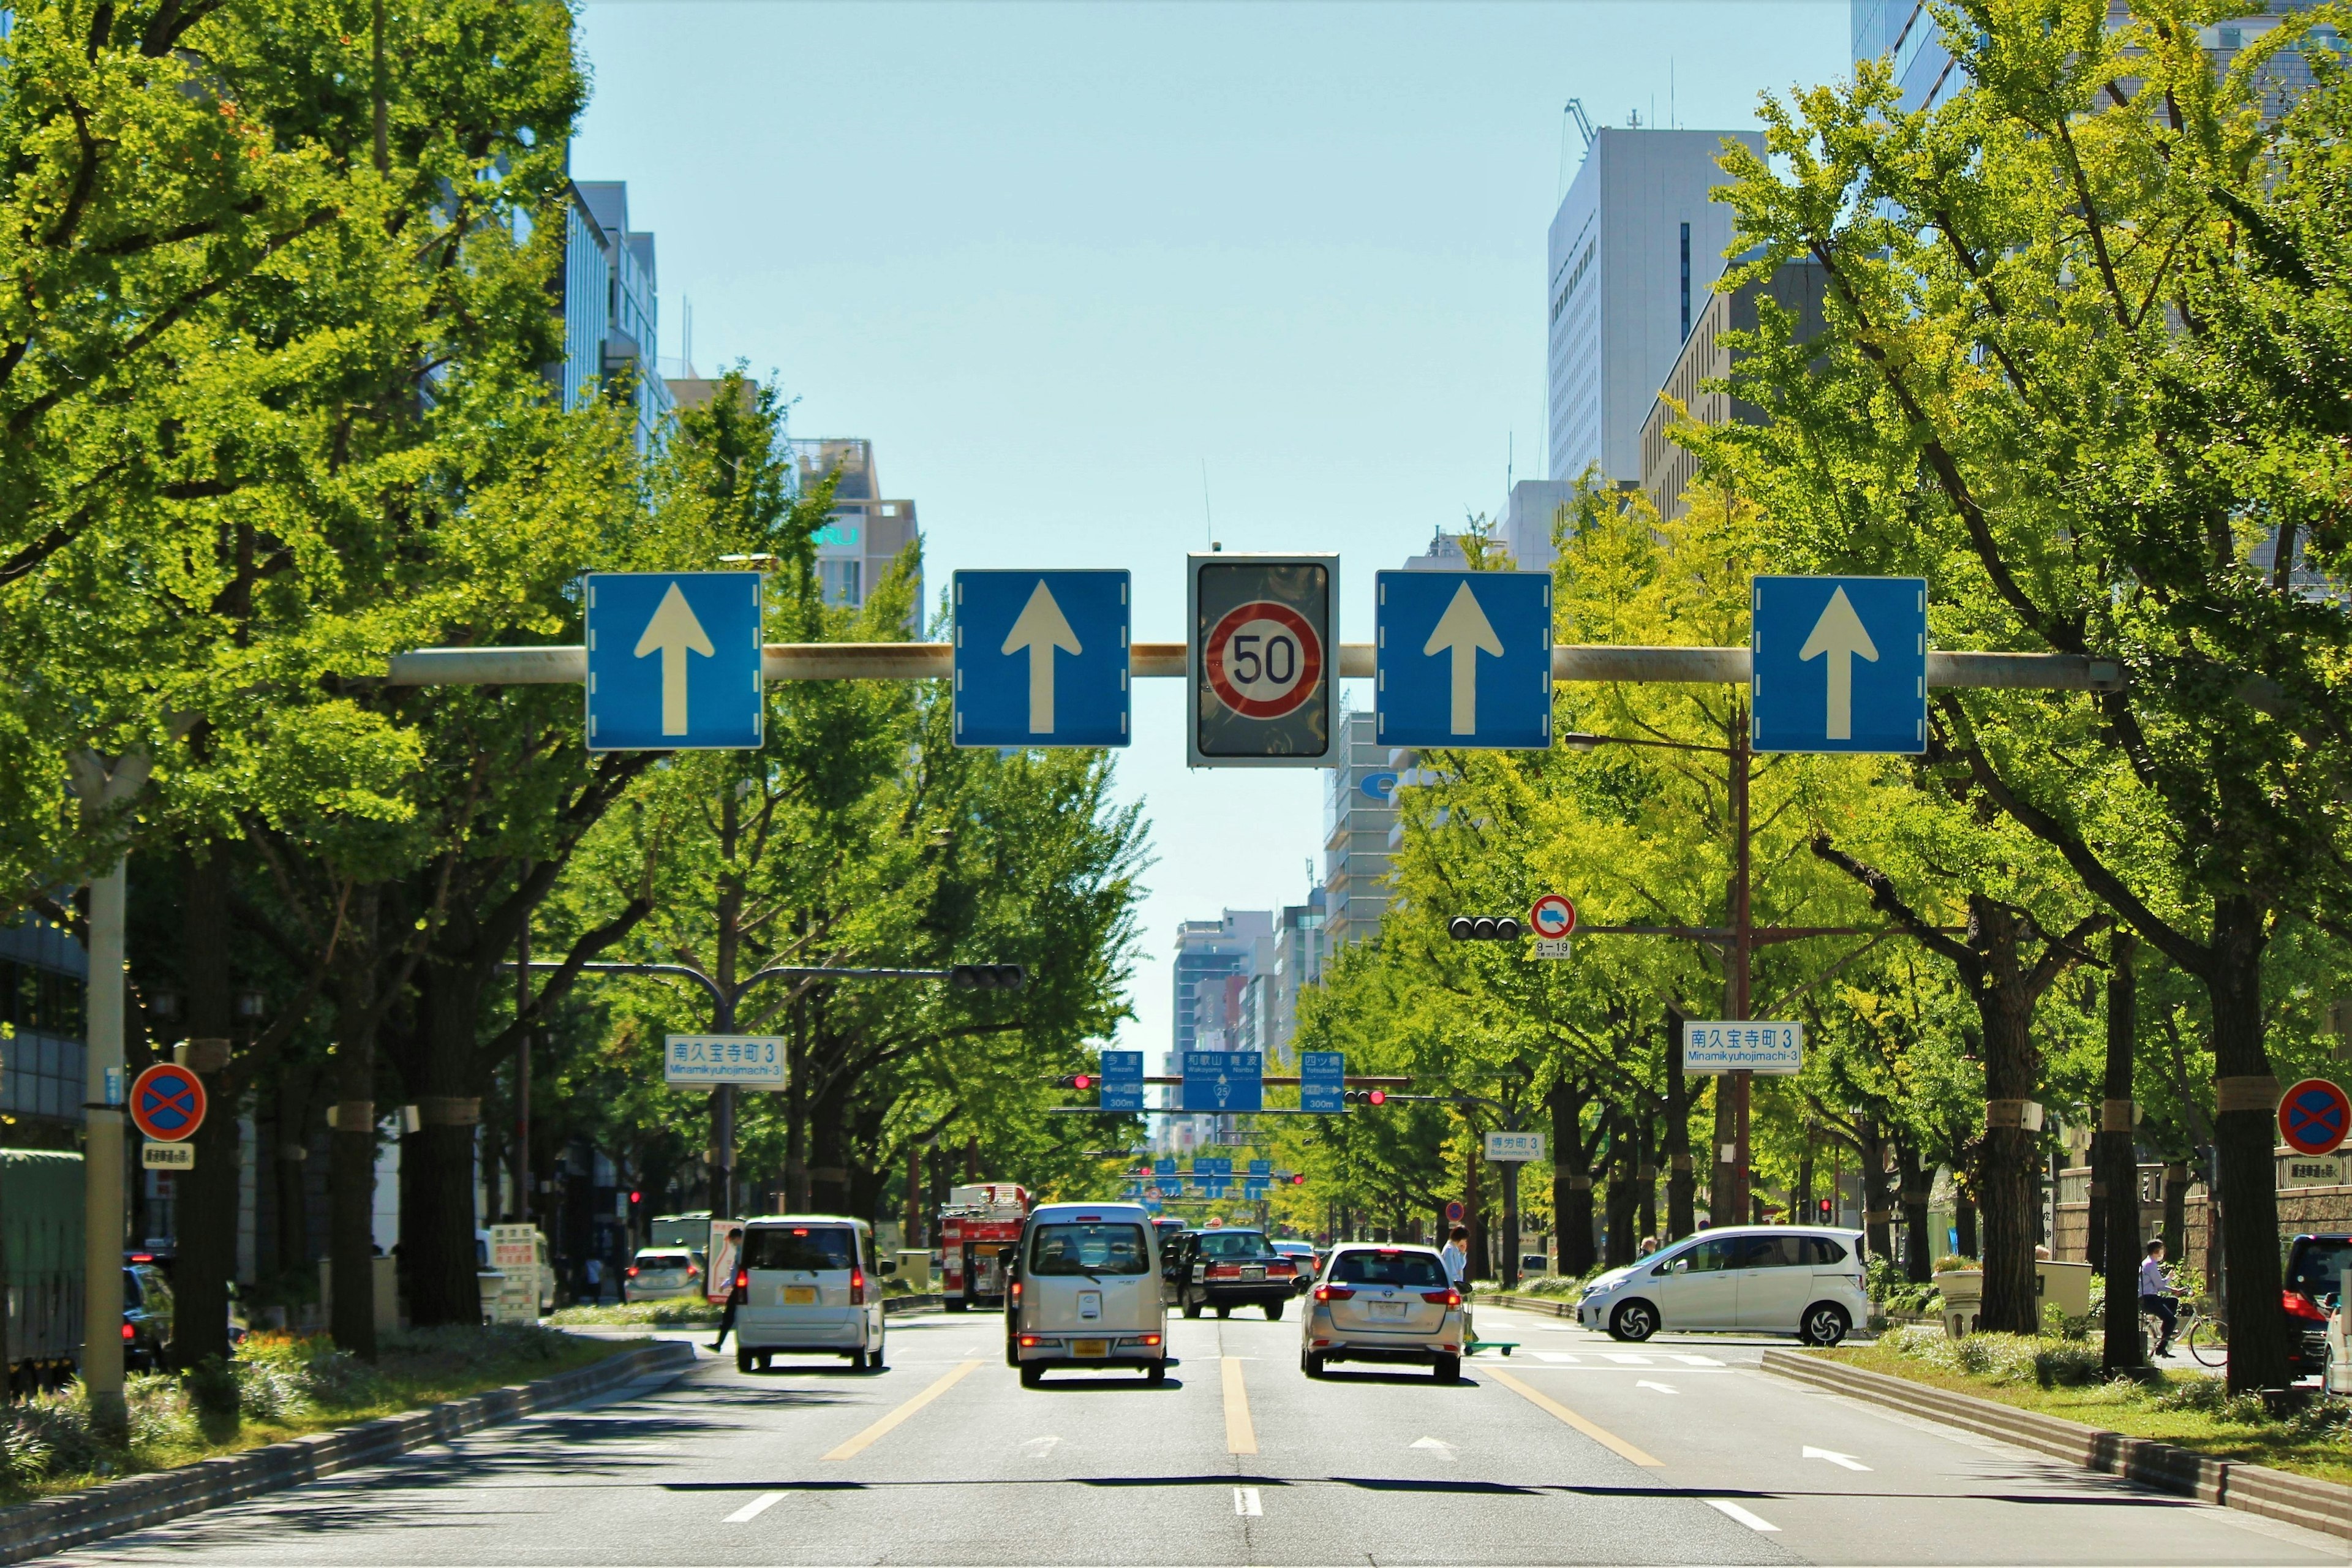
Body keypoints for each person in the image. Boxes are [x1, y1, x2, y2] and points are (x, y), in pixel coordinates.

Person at [2138, 1238, 2177, 1357]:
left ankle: (2166, 1331)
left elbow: (2158, 1285)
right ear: (2156, 1251)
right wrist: (2171, 1283)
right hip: (2148, 1299)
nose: (2163, 1253)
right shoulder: (2150, 1265)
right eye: (2161, 1250)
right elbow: (2160, 1285)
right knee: (2172, 1320)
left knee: (2173, 1302)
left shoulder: (2149, 1263)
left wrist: (2173, 1289)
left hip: (2151, 1297)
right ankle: (2161, 1348)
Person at [710, 1226, 746, 1351]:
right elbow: (734, 1271)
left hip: (740, 1289)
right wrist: (726, 1283)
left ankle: (719, 1344)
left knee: (729, 1316)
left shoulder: (742, 1252)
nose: (732, 1243)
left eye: (732, 1240)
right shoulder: (741, 1250)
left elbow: (740, 1272)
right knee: (729, 1316)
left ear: (737, 1238)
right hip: (740, 1287)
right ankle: (719, 1343)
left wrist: (727, 1284)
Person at [1439, 1226, 1470, 1290]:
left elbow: (1460, 1267)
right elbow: (1451, 1272)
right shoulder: (1449, 1249)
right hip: (1451, 1286)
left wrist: (1462, 1253)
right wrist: (1459, 1284)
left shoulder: (1455, 1249)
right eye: (1464, 1240)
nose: (1465, 1242)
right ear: (1459, 1238)